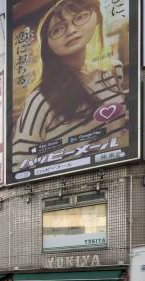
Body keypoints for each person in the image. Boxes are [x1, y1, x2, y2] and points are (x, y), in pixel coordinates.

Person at [11, 0, 128, 174]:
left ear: (96, 17)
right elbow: (19, 162)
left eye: (80, 17)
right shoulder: (40, 99)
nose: (71, 30)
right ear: (47, 44)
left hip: (119, 171)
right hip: (67, 180)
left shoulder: (113, 70)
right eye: (58, 29)